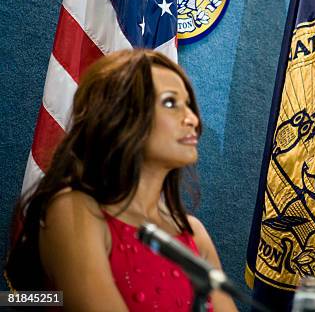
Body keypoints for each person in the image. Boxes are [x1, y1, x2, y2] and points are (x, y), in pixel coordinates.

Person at [5, 49, 237, 312]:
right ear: (120, 114)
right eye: (171, 103)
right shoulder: (74, 210)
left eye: (190, 106)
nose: (193, 120)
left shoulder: (193, 233)